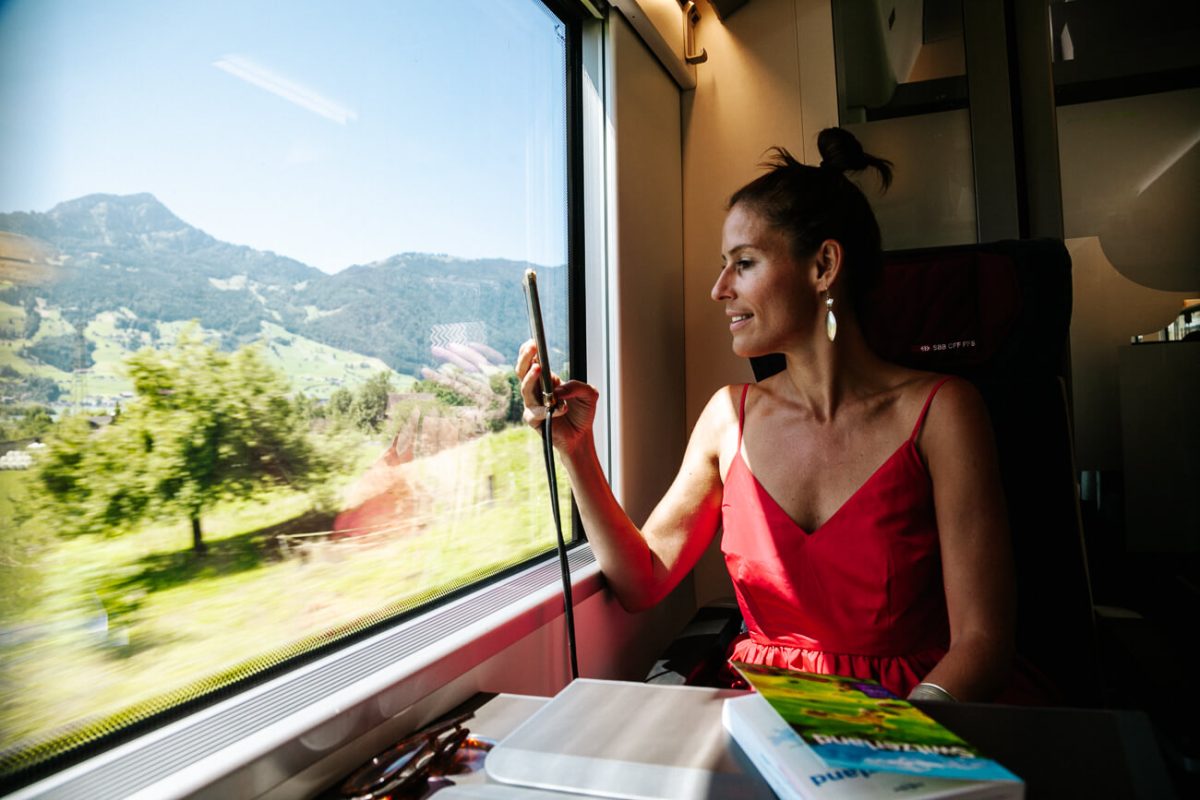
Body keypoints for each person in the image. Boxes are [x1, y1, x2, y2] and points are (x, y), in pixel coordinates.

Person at [517, 128, 1020, 703]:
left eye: (744, 263)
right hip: (761, 714)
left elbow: (983, 642)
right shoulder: (727, 417)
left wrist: (891, 743)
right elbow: (642, 581)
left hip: (914, 714)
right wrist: (576, 450)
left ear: (824, 265)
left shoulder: (943, 412)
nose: (718, 289)